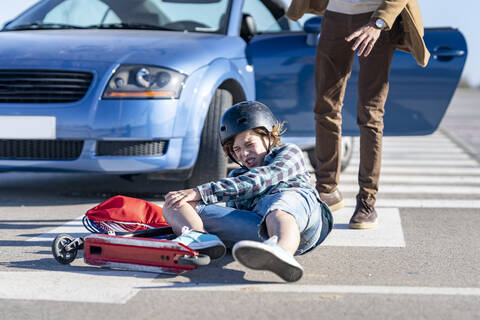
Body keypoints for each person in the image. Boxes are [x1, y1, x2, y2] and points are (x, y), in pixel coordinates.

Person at [286, 0, 430, 229]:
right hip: (334, 16)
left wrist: (379, 23)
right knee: (325, 108)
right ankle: (327, 190)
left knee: (370, 113)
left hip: (376, 20)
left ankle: (367, 202)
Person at [163, 101, 333, 282]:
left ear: (268, 137)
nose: (243, 154)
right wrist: (183, 213)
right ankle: (198, 238)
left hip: (303, 224)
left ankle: (282, 252)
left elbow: (261, 179)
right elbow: (235, 214)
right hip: (261, 230)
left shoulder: (288, 152)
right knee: (175, 203)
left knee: (278, 207)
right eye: (237, 150)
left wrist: (201, 191)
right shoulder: (237, 175)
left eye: (249, 144)